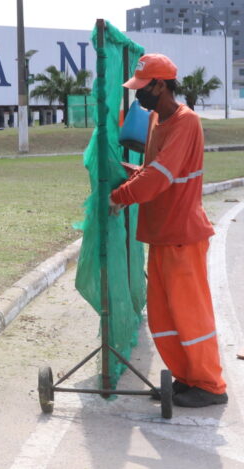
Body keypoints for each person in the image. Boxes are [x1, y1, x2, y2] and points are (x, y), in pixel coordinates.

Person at [110, 53, 227, 408]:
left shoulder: (185, 122)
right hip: (162, 233)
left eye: (143, 89)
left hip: (182, 235)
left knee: (190, 314)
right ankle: (186, 378)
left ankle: (209, 384)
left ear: (161, 85)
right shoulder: (157, 120)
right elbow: (150, 171)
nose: (138, 97)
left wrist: (120, 195)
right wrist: (122, 172)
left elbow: (159, 177)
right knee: (164, 315)